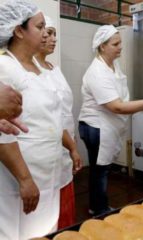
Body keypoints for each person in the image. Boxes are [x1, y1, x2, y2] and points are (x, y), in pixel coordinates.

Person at [78, 25, 143, 216]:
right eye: (115, 44)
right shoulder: (97, 72)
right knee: (99, 170)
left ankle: (98, 205)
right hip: (95, 126)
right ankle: (99, 210)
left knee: (101, 169)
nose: (120, 47)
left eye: (120, 43)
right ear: (102, 46)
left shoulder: (113, 65)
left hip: (105, 125)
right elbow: (117, 106)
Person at [0, 0, 64, 239]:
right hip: (19, 179)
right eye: (39, 27)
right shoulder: (5, 67)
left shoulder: (39, 66)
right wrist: (25, 179)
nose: (46, 33)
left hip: (48, 174)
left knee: (46, 230)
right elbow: (3, 132)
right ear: (18, 30)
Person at [34, 16, 82, 229]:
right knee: (47, 208)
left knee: (64, 195)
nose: (53, 38)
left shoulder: (54, 67)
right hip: (47, 147)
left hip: (65, 143)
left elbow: (64, 112)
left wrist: (72, 143)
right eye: (48, 32)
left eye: (54, 33)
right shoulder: (31, 70)